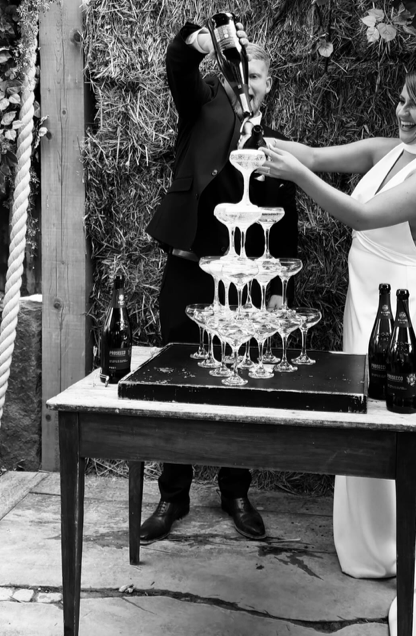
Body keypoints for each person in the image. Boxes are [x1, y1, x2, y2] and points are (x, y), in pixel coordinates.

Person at [257, 67, 416, 635]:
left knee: (388, 411)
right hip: (362, 297)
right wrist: (259, 135)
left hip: (395, 307)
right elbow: (316, 155)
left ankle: (398, 537)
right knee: (361, 410)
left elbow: (359, 215)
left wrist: (296, 176)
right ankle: (367, 539)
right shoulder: (388, 150)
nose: (403, 112)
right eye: (401, 100)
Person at [142, 22, 298, 544]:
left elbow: (285, 219)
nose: (247, 82)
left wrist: (278, 288)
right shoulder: (201, 105)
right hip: (190, 268)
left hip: (244, 279)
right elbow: (179, 68)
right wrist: (195, 43)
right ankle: (173, 495)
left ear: (269, 85)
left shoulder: (274, 146)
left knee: (241, 379)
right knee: (178, 375)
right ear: (229, 74)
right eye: (241, 73)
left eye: (257, 76)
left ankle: (236, 492)